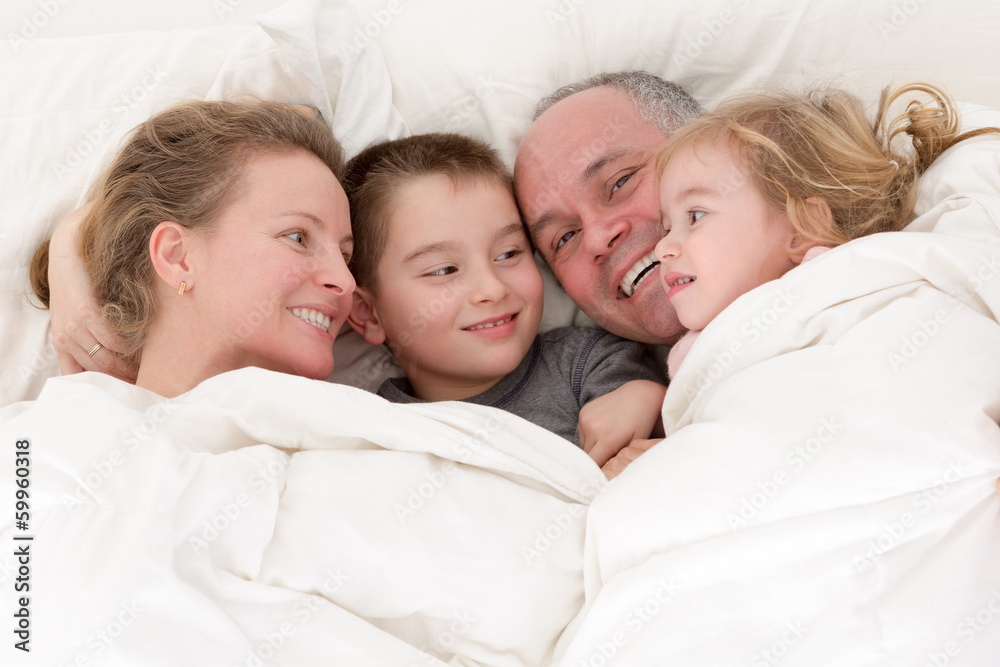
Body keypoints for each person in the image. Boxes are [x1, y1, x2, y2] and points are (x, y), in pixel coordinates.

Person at [342, 132, 667, 454]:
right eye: (444, 271)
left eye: (508, 254)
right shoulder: (370, 434)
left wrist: (647, 396)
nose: (493, 289)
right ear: (368, 313)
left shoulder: (590, 366)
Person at [655, 81, 999, 379]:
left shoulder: (851, 291)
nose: (662, 249)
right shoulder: (701, 352)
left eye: (696, 215)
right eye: (666, 227)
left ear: (806, 227)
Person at [29, 99, 357, 397]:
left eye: (345, 256)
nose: (346, 282)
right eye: (298, 238)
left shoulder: (377, 440)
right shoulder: (35, 447)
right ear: (177, 256)